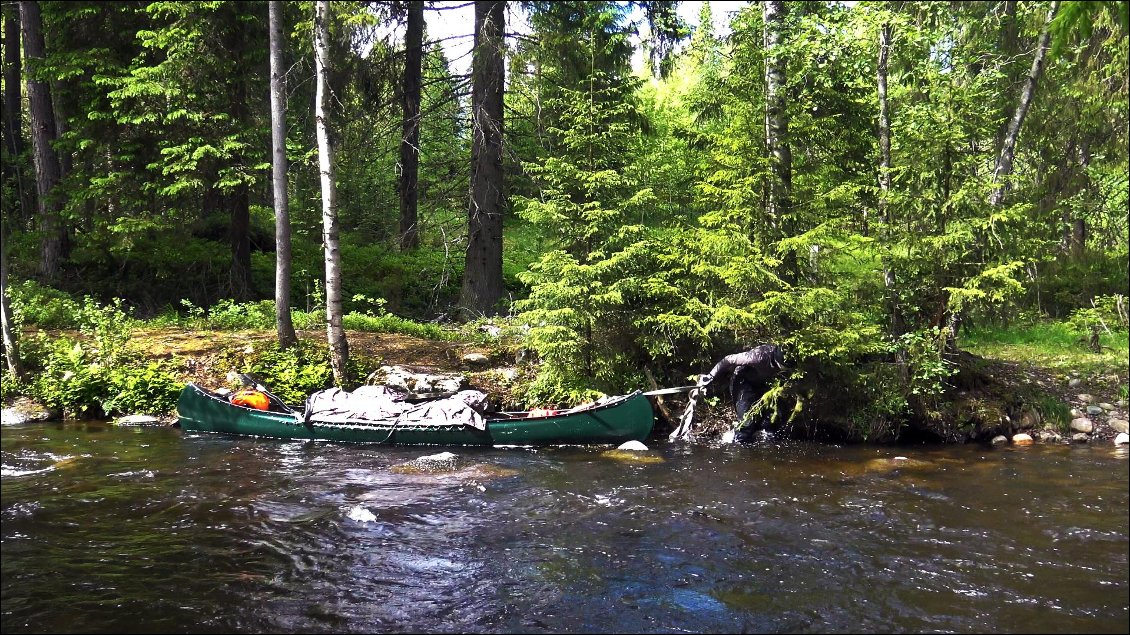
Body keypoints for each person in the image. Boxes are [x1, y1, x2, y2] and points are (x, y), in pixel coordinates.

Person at [696, 344, 786, 435]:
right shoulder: (758, 356)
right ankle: (737, 443)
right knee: (746, 423)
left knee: (769, 420)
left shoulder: (790, 354)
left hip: (760, 383)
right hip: (742, 382)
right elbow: (729, 359)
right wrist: (711, 376)